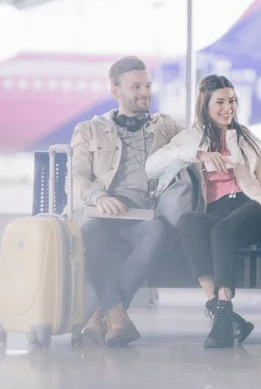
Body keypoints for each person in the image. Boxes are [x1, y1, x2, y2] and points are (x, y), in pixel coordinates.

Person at [146, 75, 261, 348]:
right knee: (189, 222)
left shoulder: (246, 138)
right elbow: (152, 166)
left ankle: (223, 314)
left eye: (232, 101)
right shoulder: (191, 138)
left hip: (253, 208)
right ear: (205, 104)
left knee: (222, 230)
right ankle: (219, 309)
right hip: (217, 212)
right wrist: (198, 154)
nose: (228, 108)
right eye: (220, 102)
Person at [70, 56, 184, 346]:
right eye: (136, 87)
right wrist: (100, 196)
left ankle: (104, 314)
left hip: (142, 214)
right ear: (116, 90)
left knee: (156, 231)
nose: (145, 92)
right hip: (102, 212)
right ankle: (115, 315)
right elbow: (78, 176)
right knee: (89, 231)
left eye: (147, 85)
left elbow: (196, 141)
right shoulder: (89, 130)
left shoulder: (165, 126)